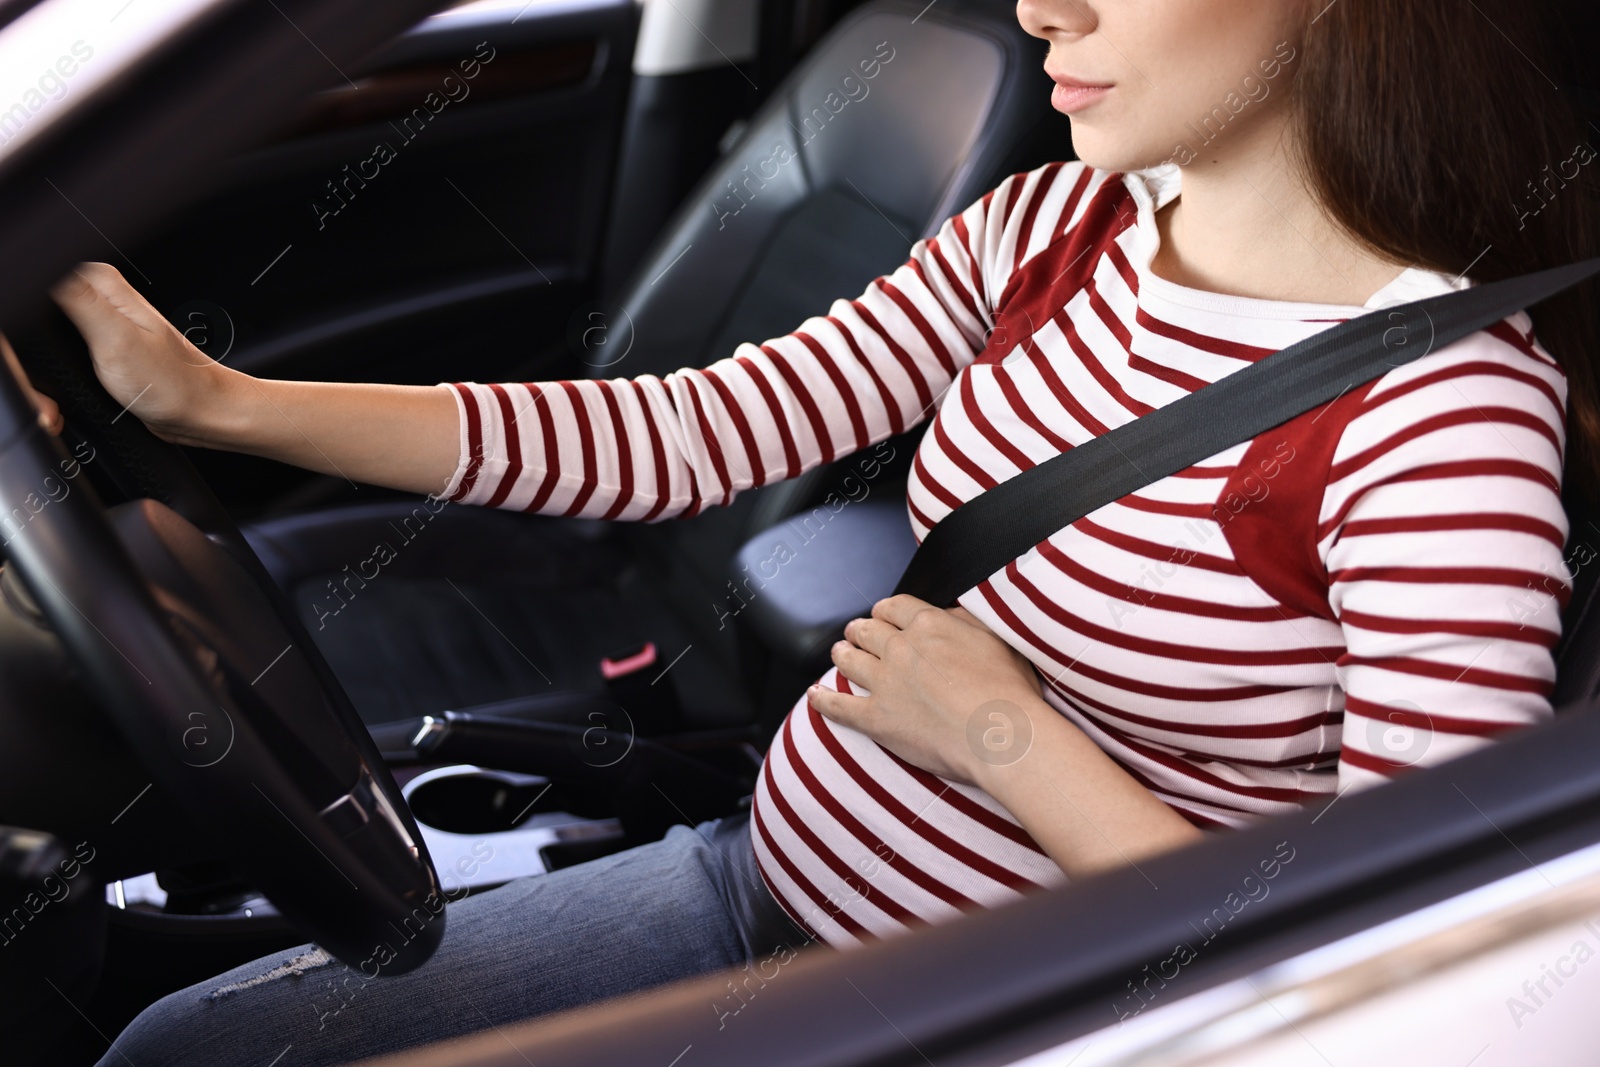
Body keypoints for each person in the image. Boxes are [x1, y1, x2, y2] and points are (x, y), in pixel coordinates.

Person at [55, 0, 1596, 1062]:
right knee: (187, 1049)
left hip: (1000, 1020)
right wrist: (217, 401)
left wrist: (1010, 746)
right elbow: (682, 434)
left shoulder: (1438, 420)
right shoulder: (1050, 230)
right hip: (754, 884)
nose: (1043, 9)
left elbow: (1425, 982)